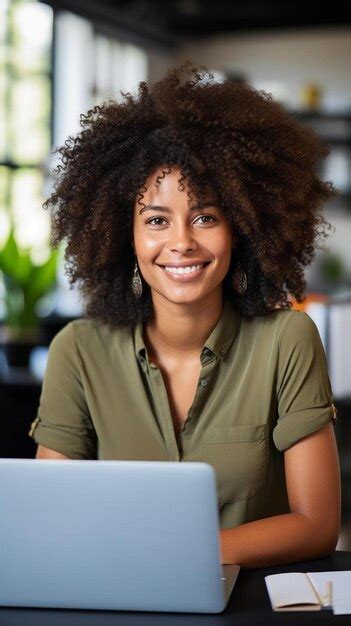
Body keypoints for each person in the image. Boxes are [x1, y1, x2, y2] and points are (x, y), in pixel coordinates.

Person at [29, 60, 341, 569]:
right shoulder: (78, 351)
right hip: (119, 600)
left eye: (206, 217)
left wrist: (178, 556)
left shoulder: (287, 339)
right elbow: (44, 516)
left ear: (240, 227)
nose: (181, 242)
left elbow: (317, 525)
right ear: (121, 234)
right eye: (156, 219)